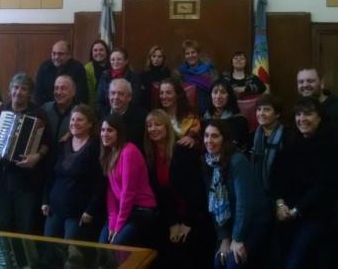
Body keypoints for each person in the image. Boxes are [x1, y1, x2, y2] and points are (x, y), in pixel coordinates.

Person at [296, 68, 338, 269]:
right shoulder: (299, 110)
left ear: (321, 82)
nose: (305, 85)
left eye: (310, 81)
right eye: (301, 82)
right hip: (311, 194)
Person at [271, 97, 338, 269]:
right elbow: (276, 178)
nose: (302, 119)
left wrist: (296, 210)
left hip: (316, 215)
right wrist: (280, 204)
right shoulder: (290, 142)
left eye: (308, 114)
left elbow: (323, 186)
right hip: (287, 214)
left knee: (295, 262)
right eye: (298, 114)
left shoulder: (331, 145)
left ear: (319, 117)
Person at [0, 73, 50, 234]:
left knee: (24, 229)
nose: (18, 92)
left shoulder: (39, 114)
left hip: (26, 183)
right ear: (10, 90)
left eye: (24, 89)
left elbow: (47, 143)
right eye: (16, 88)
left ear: (29, 93)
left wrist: (37, 156)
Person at [144, 110, 211, 268]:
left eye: (157, 124)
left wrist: (187, 223)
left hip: (193, 213)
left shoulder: (183, 150)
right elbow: (161, 194)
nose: (153, 129)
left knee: (185, 250)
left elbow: (197, 190)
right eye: (149, 126)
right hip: (170, 213)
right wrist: (173, 223)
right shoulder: (150, 155)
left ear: (167, 127)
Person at [41, 105, 105, 241]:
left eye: (80, 120)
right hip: (54, 209)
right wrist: (45, 200)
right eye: (72, 119)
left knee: (71, 250)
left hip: (78, 212)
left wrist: (90, 210)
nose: (74, 123)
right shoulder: (62, 144)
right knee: (48, 247)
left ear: (90, 124)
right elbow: (51, 176)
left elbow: (99, 183)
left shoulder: (96, 148)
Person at [203, 120, 261, 269]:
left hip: (254, 220)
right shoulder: (209, 161)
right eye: (206, 135)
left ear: (225, 139)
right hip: (232, 222)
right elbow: (214, 204)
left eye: (215, 136)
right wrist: (224, 238)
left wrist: (237, 238)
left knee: (232, 262)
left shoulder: (237, 160)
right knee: (218, 261)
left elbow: (244, 204)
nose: (209, 140)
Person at [98, 114, 158, 246]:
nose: (105, 134)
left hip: (141, 210)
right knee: (102, 243)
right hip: (124, 210)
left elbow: (128, 192)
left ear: (119, 133)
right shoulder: (109, 153)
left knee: (116, 245)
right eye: (102, 130)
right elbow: (111, 191)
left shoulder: (129, 151)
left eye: (110, 130)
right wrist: (113, 222)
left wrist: (118, 227)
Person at [250, 93, 290, 269]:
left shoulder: (287, 136)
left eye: (266, 109)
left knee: (277, 246)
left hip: (281, 197)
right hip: (259, 197)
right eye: (259, 109)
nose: (261, 113)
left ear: (277, 114)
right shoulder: (254, 135)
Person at [34, 40, 88, 106]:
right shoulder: (44, 67)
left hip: (71, 109)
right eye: (54, 53)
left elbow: (81, 95)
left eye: (60, 54)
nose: (56, 57)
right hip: (47, 108)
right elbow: (38, 94)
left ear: (69, 55)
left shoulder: (78, 68)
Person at [203, 80, 250, 153]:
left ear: (229, 96)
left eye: (223, 92)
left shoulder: (239, 120)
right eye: (215, 92)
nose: (218, 96)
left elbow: (238, 146)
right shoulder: (206, 118)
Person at [95, 47, 141, 117]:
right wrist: (109, 117)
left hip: (127, 116)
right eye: (112, 59)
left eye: (119, 59)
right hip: (106, 116)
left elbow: (134, 101)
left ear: (126, 61)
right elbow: (99, 102)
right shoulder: (104, 76)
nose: (115, 62)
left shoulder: (134, 77)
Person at [175, 39, 218, 114]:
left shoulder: (209, 69)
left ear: (198, 53)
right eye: (187, 53)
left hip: (209, 109)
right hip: (188, 112)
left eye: (193, 52)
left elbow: (216, 89)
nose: (190, 56)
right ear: (184, 56)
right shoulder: (179, 72)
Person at [106, 78, 148, 150]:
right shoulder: (102, 115)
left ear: (129, 97)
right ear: (108, 95)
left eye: (120, 94)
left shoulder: (142, 117)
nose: (116, 97)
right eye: (113, 93)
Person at [157, 78, 201, 146]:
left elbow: (200, 139)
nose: (164, 96)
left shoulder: (190, 116)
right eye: (161, 93)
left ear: (177, 94)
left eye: (168, 93)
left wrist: (192, 139)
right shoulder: (157, 116)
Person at [42, 75, 79, 147]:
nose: (58, 92)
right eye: (56, 88)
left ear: (73, 92)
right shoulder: (45, 109)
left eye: (63, 88)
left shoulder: (81, 113)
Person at [139, 45, 171, 109]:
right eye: (154, 56)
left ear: (163, 59)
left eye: (159, 56)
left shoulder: (168, 74)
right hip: (146, 107)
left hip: (164, 107)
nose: (156, 59)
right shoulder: (143, 74)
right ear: (150, 58)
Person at [84, 40, 110, 106]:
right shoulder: (87, 68)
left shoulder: (114, 64)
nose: (98, 52)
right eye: (95, 50)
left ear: (107, 52)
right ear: (92, 53)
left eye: (101, 50)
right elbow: (89, 93)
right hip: (94, 106)